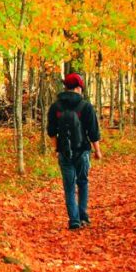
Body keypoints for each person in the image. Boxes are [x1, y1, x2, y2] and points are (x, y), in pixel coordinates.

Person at [46, 73, 102, 230]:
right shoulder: (86, 106)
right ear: (78, 88)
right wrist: (97, 151)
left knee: (69, 187)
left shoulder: (55, 107)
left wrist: (56, 148)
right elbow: (93, 131)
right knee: (82, 182)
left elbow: (51, 131)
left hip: (64, 152)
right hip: (83, 151)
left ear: (66, 87)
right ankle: (83, 215)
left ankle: (74, 220)